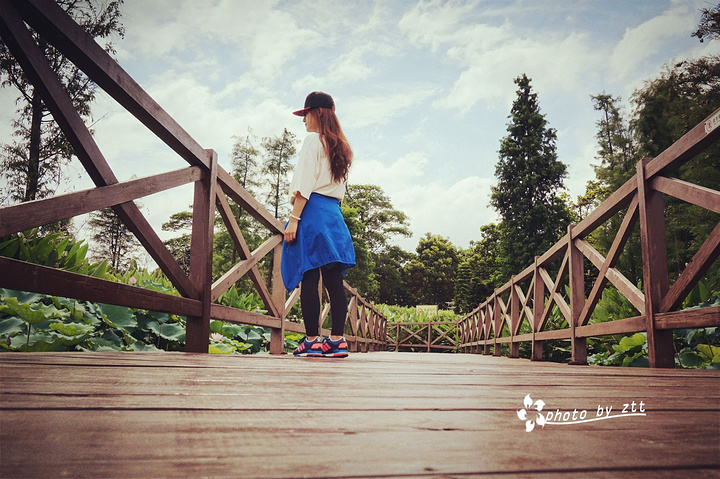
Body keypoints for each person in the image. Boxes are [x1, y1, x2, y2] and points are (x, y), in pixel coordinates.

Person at [281, 91, 356, 358]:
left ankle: (311, 340)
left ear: (318, 113)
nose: (303, 120)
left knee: (309, 277)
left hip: (312, 212)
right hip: (334, 215)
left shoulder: (313, 141)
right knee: (334, 281)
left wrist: (294, 219)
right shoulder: (343, 147)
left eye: (305, 114)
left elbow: (304, 184)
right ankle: (337, 340)